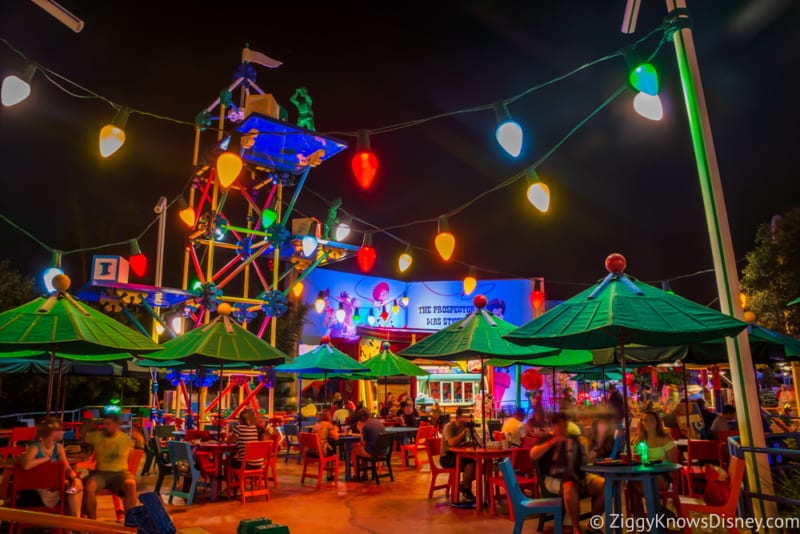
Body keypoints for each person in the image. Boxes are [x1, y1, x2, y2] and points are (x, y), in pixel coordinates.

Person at [530, 412, 604, 534]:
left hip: (580, 475)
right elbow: (533, 454)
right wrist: (553, 441)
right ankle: (576, 528)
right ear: (554, 425)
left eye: (565, 425)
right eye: (560, 425)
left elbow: (584, 458)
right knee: (570, 486)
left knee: (604, 485)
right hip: (554, 479)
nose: (563, 428)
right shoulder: (547, 439)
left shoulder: (573, 438)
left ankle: (593, 526)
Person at [20, 417, 82, 518]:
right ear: (53, 432)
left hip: (56, 490)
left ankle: (76, 521)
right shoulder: (35, 447)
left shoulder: (58, 448)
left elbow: (67, 468)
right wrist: (45, 459)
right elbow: (26, 466)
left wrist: (75, 479)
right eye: (61, 430)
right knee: (74, 490)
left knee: (76, 488)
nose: (63, 432)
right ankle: (74, 525)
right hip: (39, 492)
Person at [82, 413, 136, 520]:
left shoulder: (125, 439)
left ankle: (131, 520)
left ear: (116, 425)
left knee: (131, 484)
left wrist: (139, 432)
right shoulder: (97, 436)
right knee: (89, 487)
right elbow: (82, 438)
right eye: (103, 424)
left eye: (108, 424)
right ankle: (93, 523)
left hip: (120, 473)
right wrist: (87, 425)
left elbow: (140, 443)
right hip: (101, 474)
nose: (104, 426)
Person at [629, 410, 678, 517]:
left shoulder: (665, 438)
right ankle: (656, 512)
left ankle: (645, 520)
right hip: (643, 475)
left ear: (657, 422)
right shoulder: (639, 439)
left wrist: (657, 465)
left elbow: (672, 463)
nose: (647, 422)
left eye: (651, 420)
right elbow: (635, 459)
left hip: (662, 476)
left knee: (633, 488)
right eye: (644, 420)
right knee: (632, 487)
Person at [439, 407, 476, 502]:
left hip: (459, 455)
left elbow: (472, 439)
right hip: (447, 457)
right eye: (464, 417)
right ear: (458, 417)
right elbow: (451, 442)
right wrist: (464, 432)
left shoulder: (465, 425)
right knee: (470, 464)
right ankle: (466, 490)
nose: (466, 419)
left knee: (477, 464)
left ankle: (464, 484)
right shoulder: (449, 426)